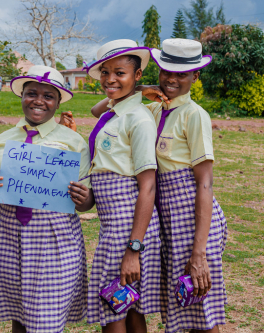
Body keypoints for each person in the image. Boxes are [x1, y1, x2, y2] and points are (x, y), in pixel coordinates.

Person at [90, 38, 227, 333]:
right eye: (166, 71)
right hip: (165, 220)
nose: (171, 79)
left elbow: (204, 185)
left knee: (201, 305)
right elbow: (97, 110)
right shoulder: (153, 109)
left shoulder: (194, 115)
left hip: (193, 218)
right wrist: (138, 89)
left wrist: (199, 252)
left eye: (182, 74)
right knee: (182, 303)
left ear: (195, 76)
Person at [0, 65, 93, 333]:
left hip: (54, 238)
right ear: (21, 97)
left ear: (57, 103)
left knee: (46, 320)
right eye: (31, 93)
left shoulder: (73, 143)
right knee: (19, 315)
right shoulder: (2, 141)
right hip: (9, 235)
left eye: (48, 96)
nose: (38, 101)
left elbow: (87, 203)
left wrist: (83, 198)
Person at [83, 39, 162, 333]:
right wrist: (133, 89)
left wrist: (134, 249)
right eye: (105, 72)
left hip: (129, 226)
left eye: (120, 73)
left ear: (138, 74)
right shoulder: (115, 112)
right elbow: (95, 109)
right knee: (129, 308)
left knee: (112, 309)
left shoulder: (138, 119)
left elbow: (148, 187)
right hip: (114, 223)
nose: (110, 80)